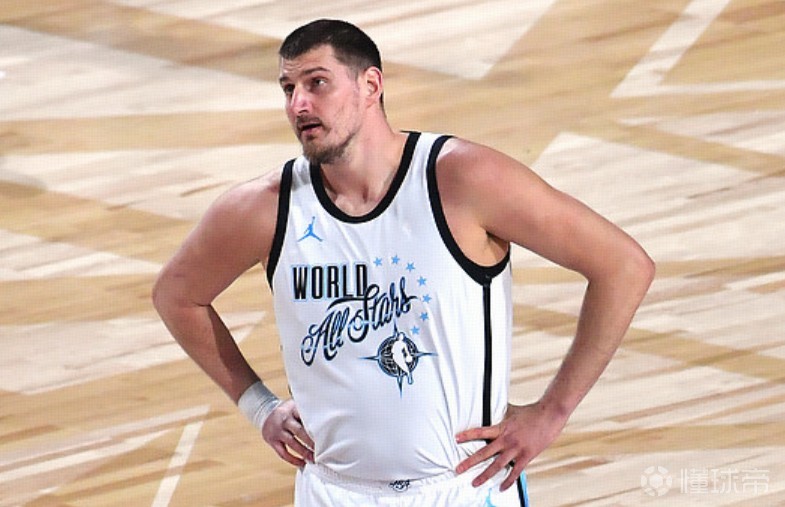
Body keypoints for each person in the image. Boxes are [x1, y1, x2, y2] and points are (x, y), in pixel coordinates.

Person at [152, 19, 655, 506]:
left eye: (317, 83)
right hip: (332, 491)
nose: (298, 104)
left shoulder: (462, 179)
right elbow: (177, 296)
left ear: (370, 85)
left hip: (463, 487)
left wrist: (552, 412)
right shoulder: (264, 207)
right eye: (288, 89)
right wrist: (259, 405)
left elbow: (623, 265)